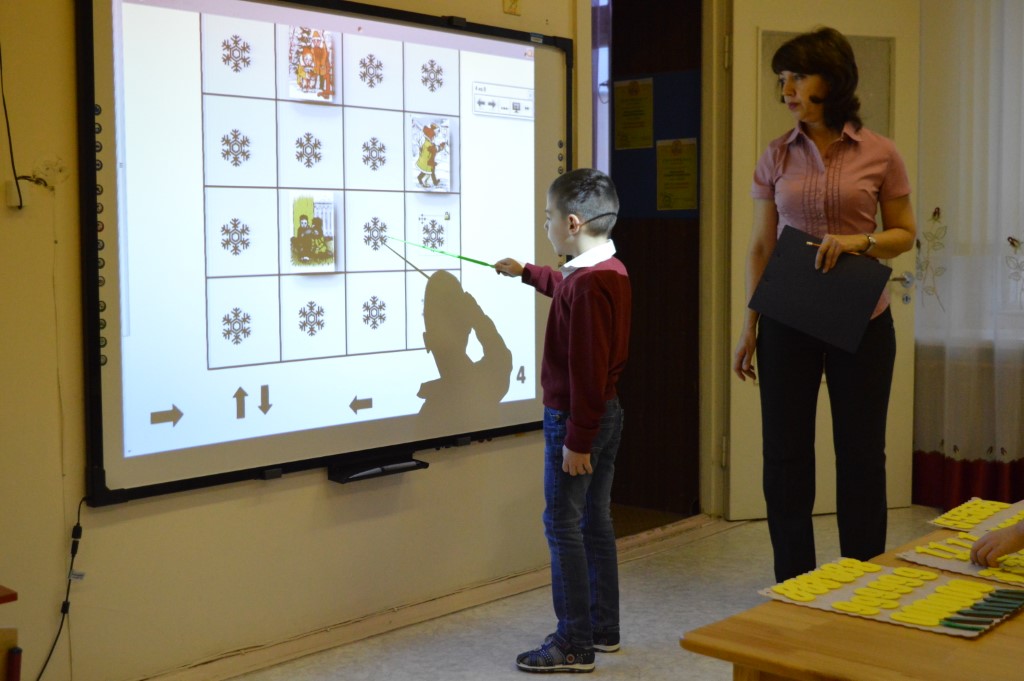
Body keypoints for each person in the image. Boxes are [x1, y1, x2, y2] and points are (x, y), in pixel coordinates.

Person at [731, 27, 917, 583]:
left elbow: (904, 233)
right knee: (785, 454)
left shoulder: (881, 152)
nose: (786, 89)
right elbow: (762, 246)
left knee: (861, 454)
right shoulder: (775, 154)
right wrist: (750, 325)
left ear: (831, 81)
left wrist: (860, 241)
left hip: (864, 317)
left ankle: (862, 577)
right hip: (787, 317)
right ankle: (796, 581)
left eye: (798, 76)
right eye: (781, 79)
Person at [495, 168, 630, 673]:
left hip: (577, 420)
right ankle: (602, 628)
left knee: (562, 526)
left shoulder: (588, 286)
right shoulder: (607, 269)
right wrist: (527, 272)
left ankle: (574, 642)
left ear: (572, 223)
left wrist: (578, 439)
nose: (546, 225)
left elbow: (587, 372)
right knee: (594, 520)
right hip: (603, 415)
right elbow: (567, 287)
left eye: (548, 217)